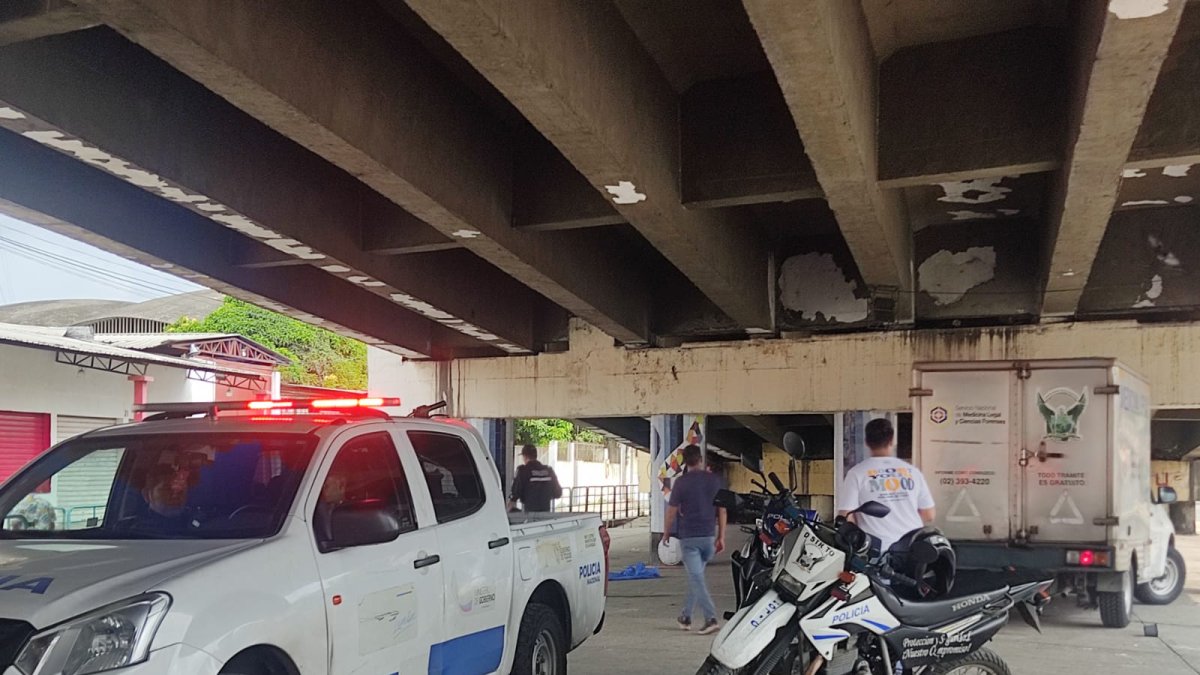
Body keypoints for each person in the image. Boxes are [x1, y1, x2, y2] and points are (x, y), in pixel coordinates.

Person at [837, 418, 935, 553]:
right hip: (913, 548)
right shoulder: (912, 472)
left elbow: (846, 516)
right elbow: (929, 514)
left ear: (866, 442)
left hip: (877, 552)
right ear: (892, 441)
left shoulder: (857, 473)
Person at [662, 444, 726, 635]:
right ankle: (685, 616)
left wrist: (666, 533)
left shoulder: (681, 483)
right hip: (708, 538)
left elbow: (671, 512)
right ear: (700, 459)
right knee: (695, 577)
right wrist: (721, 536)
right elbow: (722, 510)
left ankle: (711, 618)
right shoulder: (714, 481)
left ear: (684, 462)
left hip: (689, 538)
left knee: (697, 578)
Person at [508, 445, 562, 512]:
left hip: (529, 514)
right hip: (546, 514)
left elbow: (515, 493)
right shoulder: (549, 470)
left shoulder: (523, 470)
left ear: (525, 457)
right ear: (536, 456)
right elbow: (558, 493)